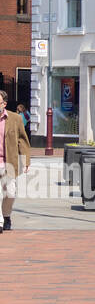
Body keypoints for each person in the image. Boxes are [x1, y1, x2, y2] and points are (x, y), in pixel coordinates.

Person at [0, 90, 31, 232]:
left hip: (9, 162)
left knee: (10, 193)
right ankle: (0, 222)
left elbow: (22, 141)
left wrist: (26, 161)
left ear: (4, 104)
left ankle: (6, 216)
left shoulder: (15, 119)